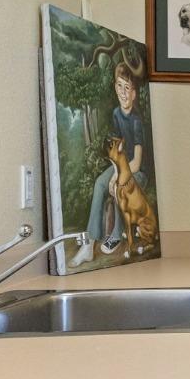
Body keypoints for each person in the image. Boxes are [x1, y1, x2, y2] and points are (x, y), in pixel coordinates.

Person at [71, 65, 150, 266]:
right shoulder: (116, 114)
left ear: (133, 94)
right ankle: (89, 243)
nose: (123, 93)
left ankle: (116, 235)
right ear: (115, 87)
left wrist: (118, 177)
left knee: (119, 187)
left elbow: (137, 162)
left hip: (137, 172)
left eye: (127, 88)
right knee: (100, 183)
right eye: (120, 86)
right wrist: (115, 173)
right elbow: (118, 153)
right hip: (123, 166)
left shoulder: (136, 121)